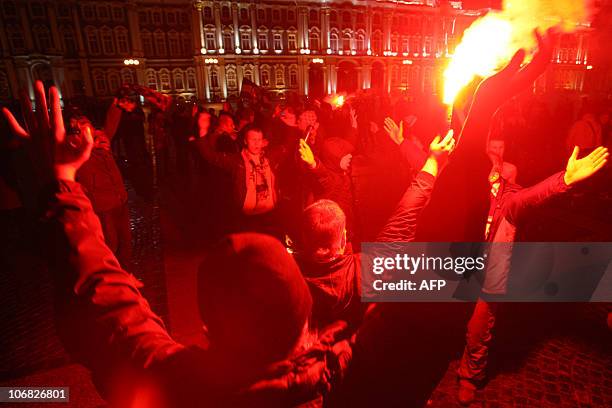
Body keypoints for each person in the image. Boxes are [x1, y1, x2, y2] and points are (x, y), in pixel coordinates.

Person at [2, 81, 352, 408]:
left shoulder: (176, 387)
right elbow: (399, 266)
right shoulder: (349, 364)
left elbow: (104, 302)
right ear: (306, 315)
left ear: (208, 326)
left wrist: (60, 181)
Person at [456, 144, 609, 405]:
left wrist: (565, 179)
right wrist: (405, 144)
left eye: (497, 164)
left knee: (478, 326)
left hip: (491, 271)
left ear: (500, 175)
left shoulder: (510, 200)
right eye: (490, 161)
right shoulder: (468, 189)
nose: (495, 166)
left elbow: (531, 197)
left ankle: (470, 374)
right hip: (463, 262)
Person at [192, 124, 283, 237]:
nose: (256, 143)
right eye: (253, 139)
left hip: (269, 215)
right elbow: (211, 156)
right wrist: (203, 130)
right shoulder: (236, 161)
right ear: (245, 141)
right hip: (248, 218)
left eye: (259, 139)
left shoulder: (269, 158)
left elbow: (289, 147)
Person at [71, 113, 132, 269]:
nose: (85, 128)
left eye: (86, 123)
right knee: (111, 245)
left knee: (126, 241)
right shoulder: (78, 149)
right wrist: (90, 145)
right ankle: (111, 277)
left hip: (120, 200)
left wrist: (117, 105)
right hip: (103, 207)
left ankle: (125, 274)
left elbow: (111, 122)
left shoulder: (103, 141)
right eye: (80, 127)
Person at [105, 85, 154, 200]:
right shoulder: (118, 113)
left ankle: (146, 191)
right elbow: (113, 132)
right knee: (137, 171)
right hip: (130, 150)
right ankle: (143, 191)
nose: (130, 104)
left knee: (143, 170)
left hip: (139, 149)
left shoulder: (134, 112)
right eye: (126, 101)